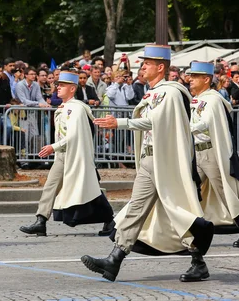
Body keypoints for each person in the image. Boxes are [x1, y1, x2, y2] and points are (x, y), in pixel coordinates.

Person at [81, 45, 214, 283]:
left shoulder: (171, 92)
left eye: (147, 64)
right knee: (135, 208)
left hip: (167, 162)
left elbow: (155, 120)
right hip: (149, 160)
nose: (142, 67)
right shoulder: (153, 92)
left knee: (177, 211)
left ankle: (198, 261)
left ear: (160, 67)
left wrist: (119, 122)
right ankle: (114, 259)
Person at [19, 71, 114, 236]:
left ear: (72, 89)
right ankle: (41, 220)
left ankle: (110, 221)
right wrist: (56, 149)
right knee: (51, 186)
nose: (58, 88)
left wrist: (53, 147)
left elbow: (74, 135)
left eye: (62, 85)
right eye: (58, 85)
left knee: (90, 190)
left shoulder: (75, 109)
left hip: (76, 156)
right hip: (64, 155)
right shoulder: (66, 107)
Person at [188, 62, 239, 247]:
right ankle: (186, 231)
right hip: (197, 153)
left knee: (228, 194)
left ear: (206, 79)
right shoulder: (196, 99)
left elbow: (206, 123)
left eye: (195, 76)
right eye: (190, 76)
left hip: (212, 153)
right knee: (187, 190)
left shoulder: (213, 99)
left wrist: (185, 128)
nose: (190, 79)